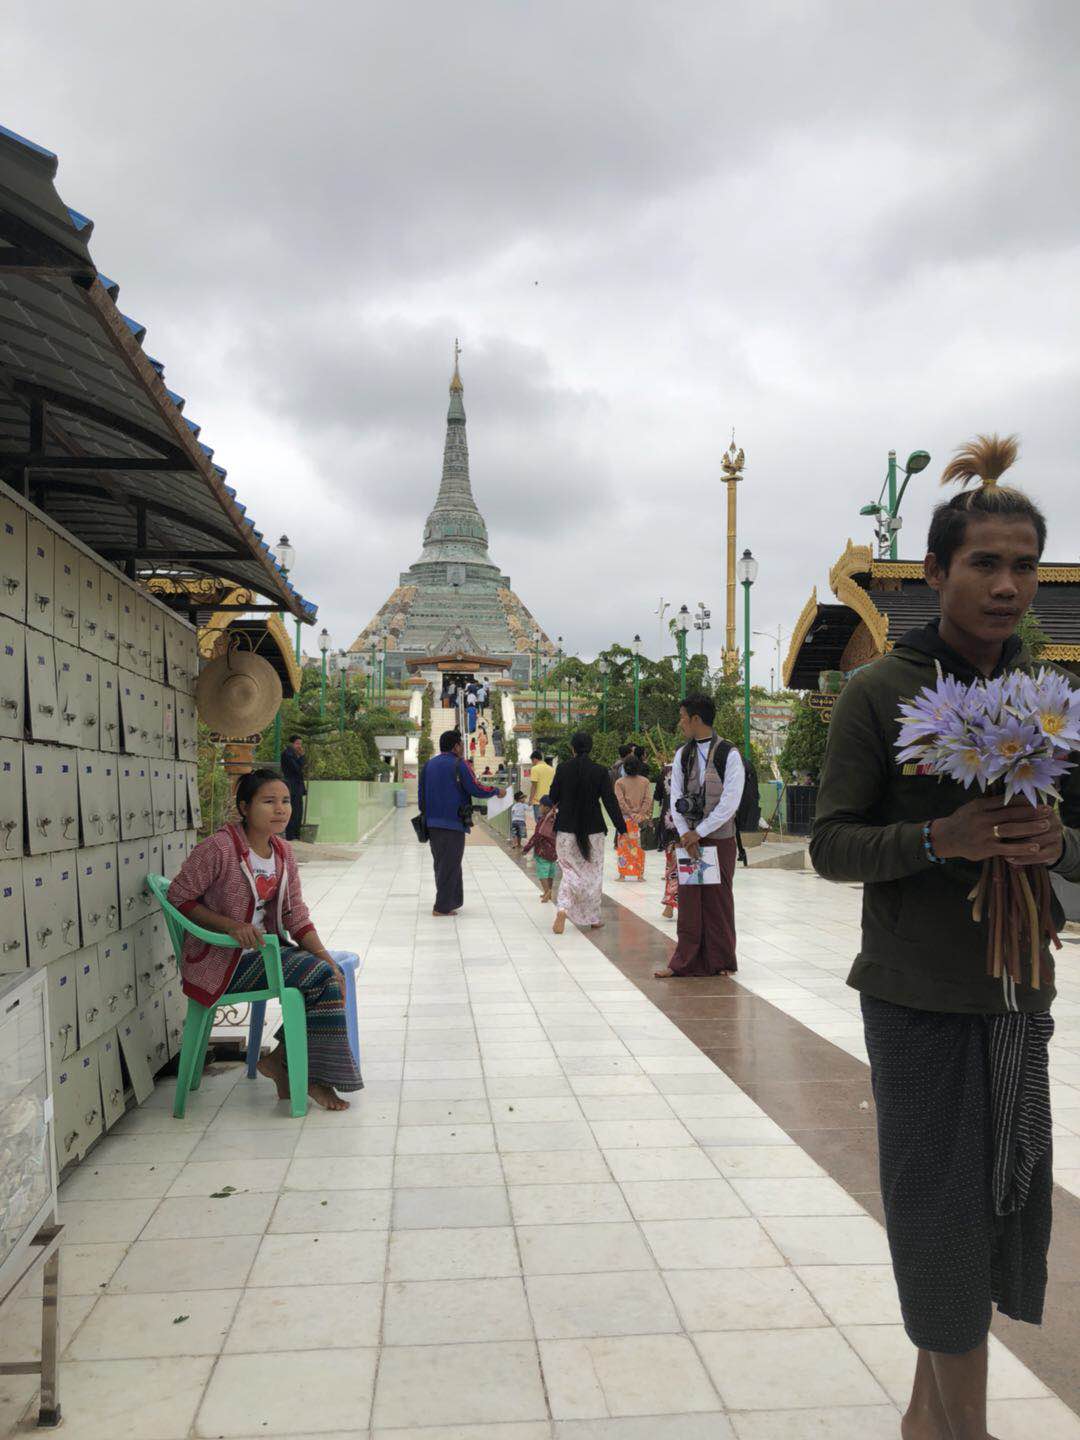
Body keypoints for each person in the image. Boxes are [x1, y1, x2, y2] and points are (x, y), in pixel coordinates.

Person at [810, 436, 1080, 1440]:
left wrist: (1061, 840)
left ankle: (927, 1425)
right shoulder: (881, 692)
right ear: (934, 572)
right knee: (937, 1212)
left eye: (1025, 566)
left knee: (1006, 1202)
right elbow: (831, 843)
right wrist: (939, 836)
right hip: (919, 996)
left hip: (1019, 996)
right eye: (985, 563)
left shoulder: (1050, 700)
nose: (1009, 586)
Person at [167, 768, 362, 1111]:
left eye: (285, 801)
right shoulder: (219, 848)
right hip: (222, 962)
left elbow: (295, 916)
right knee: (319, 977)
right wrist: (229, 926)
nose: (280, 809)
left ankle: (284, 1061)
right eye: (268, 801)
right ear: (244, 807)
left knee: (330, 973)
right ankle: (307, 1075)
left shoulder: (283, 853)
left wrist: (325, 956)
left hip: (263, 954)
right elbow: (179, 897)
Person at [654, 693, 744, 978]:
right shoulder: (683, 754)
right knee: (690, 898)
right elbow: (675, 796)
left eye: (683, 717)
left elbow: (730, 801)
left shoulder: (728, 754)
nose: (680, 723)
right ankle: (685, 960)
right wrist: (685, 833)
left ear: (696, 719)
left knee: (718, 899)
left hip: (718, 838)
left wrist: (699, 832)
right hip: (690, 840)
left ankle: (721, 961)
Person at [419, 729, 504, 916]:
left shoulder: (428, 765)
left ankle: (451, 901)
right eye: (461, 745)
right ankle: (441, 907)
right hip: (453, 822)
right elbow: (476, 788)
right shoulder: (460, 764)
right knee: (450, 864)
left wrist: (428, 816)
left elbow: (421, 797)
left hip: (432, 823)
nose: (462, 748)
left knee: (442, 862)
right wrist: (495, 790)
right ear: (456, 746)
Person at [549, 731, 626, 935]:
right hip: (593, 830)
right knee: (592, 874)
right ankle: (593, 918)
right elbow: (609, 801)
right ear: (591, 748)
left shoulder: (563, 768)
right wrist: (621, 826)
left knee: (568, 870)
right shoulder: (600, 771)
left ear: (572, 748)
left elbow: (553, 795)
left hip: (566, 828)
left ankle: (563, 908)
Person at [614, 754, 652, 881]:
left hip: (625, 819)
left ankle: (623, 875)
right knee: (639, 847)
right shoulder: (645, 782)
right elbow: (648, 799)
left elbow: (620, 802)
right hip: (640, 819)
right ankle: (640, 875)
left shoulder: (619, 782)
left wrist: (630, 814)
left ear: (625, 767)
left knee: (623, 846)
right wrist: (640, 814)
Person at [655, 761, 680, 919]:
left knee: (672, 866)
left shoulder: (666, 770)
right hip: (692, 826)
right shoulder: (697, 767)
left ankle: (671, 905)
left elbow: (658, 796)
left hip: (669, 823)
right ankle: (687, 906)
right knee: (692, 867)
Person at [524, 795, 559, 902]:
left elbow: (537, 835)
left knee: (542, 873)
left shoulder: (543, 820)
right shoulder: (555, 818)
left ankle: (547, 892)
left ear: (546, 808)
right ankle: (549, 892)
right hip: (554, 852)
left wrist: (527, 847)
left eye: (540, 806)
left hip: (542, 851)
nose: (539, 808)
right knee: (550, 873)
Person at [280, 734, 306, 841]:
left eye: (300, 744)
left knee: (299, 810)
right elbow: (297, 769)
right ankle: (290, 835)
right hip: (291, 785)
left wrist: (301, 757)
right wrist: (301, 757)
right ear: (291, 744)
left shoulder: (295, 754)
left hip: (297, 785)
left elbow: (301, 768)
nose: (299, 746)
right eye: (297, 744)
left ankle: (296, 834)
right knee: (292, 810)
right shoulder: (287, 754)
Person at [528, 750, 556, 822]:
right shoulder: (552, 769)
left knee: (539, 823)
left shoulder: (535, 769)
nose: (532, 763)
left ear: (534, 759)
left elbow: (534, 786)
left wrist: (530, 800)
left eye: (532, 761)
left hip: (539, 802)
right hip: (550, 801)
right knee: (549, 823)